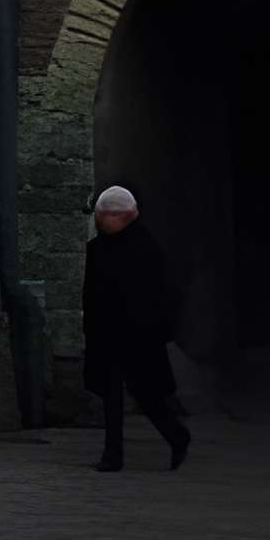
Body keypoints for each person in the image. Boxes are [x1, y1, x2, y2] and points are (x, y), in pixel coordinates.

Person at [83, 184, 192, 472]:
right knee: (113, 396)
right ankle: (113, 455)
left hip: (137, 335)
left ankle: (176, 435)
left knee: (145, 394)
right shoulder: (100, 250)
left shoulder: (144, 250)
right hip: (109, 335)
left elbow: (157, 296)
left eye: (101, 215)